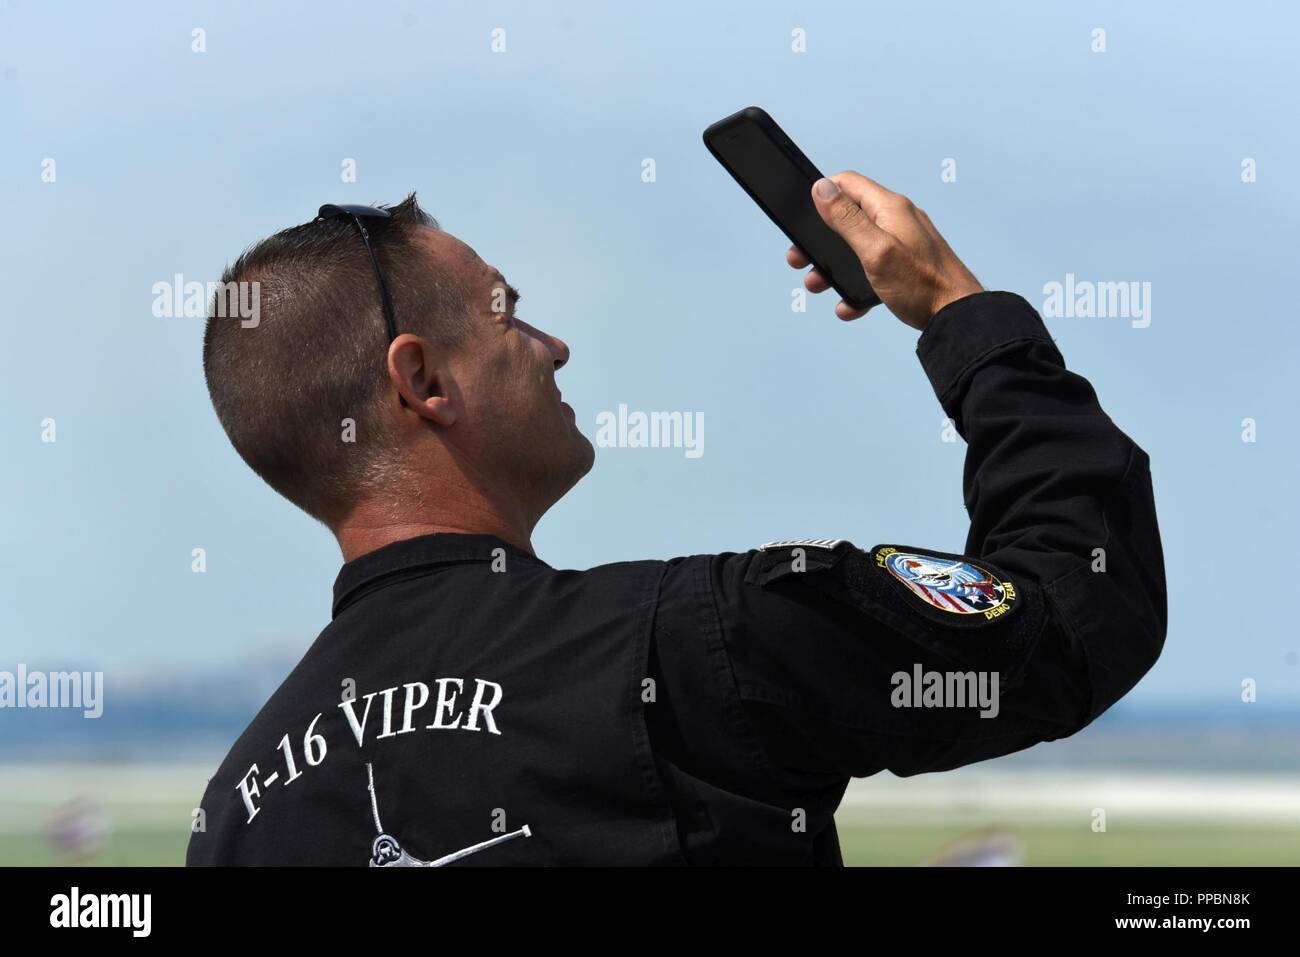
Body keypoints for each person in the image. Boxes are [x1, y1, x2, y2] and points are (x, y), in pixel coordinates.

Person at [187, 172, 1165, 866]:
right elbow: (1077, 612)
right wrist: (961, 312)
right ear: (421, 378)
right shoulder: (691, 643)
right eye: (506, 315)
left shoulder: (233, 816)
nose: (553, 346)